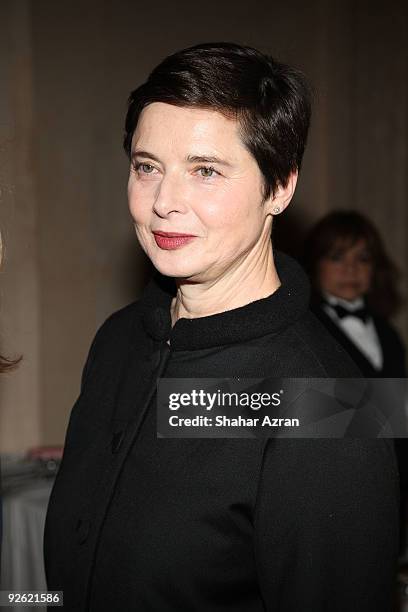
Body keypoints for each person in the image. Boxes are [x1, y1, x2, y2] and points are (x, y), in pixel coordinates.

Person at [44, 43, 399, 611]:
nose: (164, 201)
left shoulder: (333, 405)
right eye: (147, 167)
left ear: (280, 186)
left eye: (205, 170)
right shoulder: (117, 340)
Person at [303, 210, 406, 378]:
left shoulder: (389, 334)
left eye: (363, 258)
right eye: (337, 257)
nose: (351, 269)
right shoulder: (303, 329)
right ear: (315, 264)